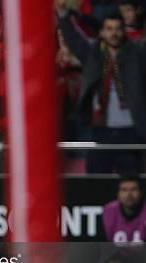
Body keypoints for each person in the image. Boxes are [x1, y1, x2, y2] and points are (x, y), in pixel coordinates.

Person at [58, 2, 146, 174]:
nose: (114, 33)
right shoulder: (93, 53)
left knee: (131, 184)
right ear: (102, 32)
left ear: (124, 31)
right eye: (109, 29)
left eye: (118, 29)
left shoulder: (138, 52)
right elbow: (73, 39)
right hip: (100, 129)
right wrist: (63, 15)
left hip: (131, 130)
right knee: (96, 183)